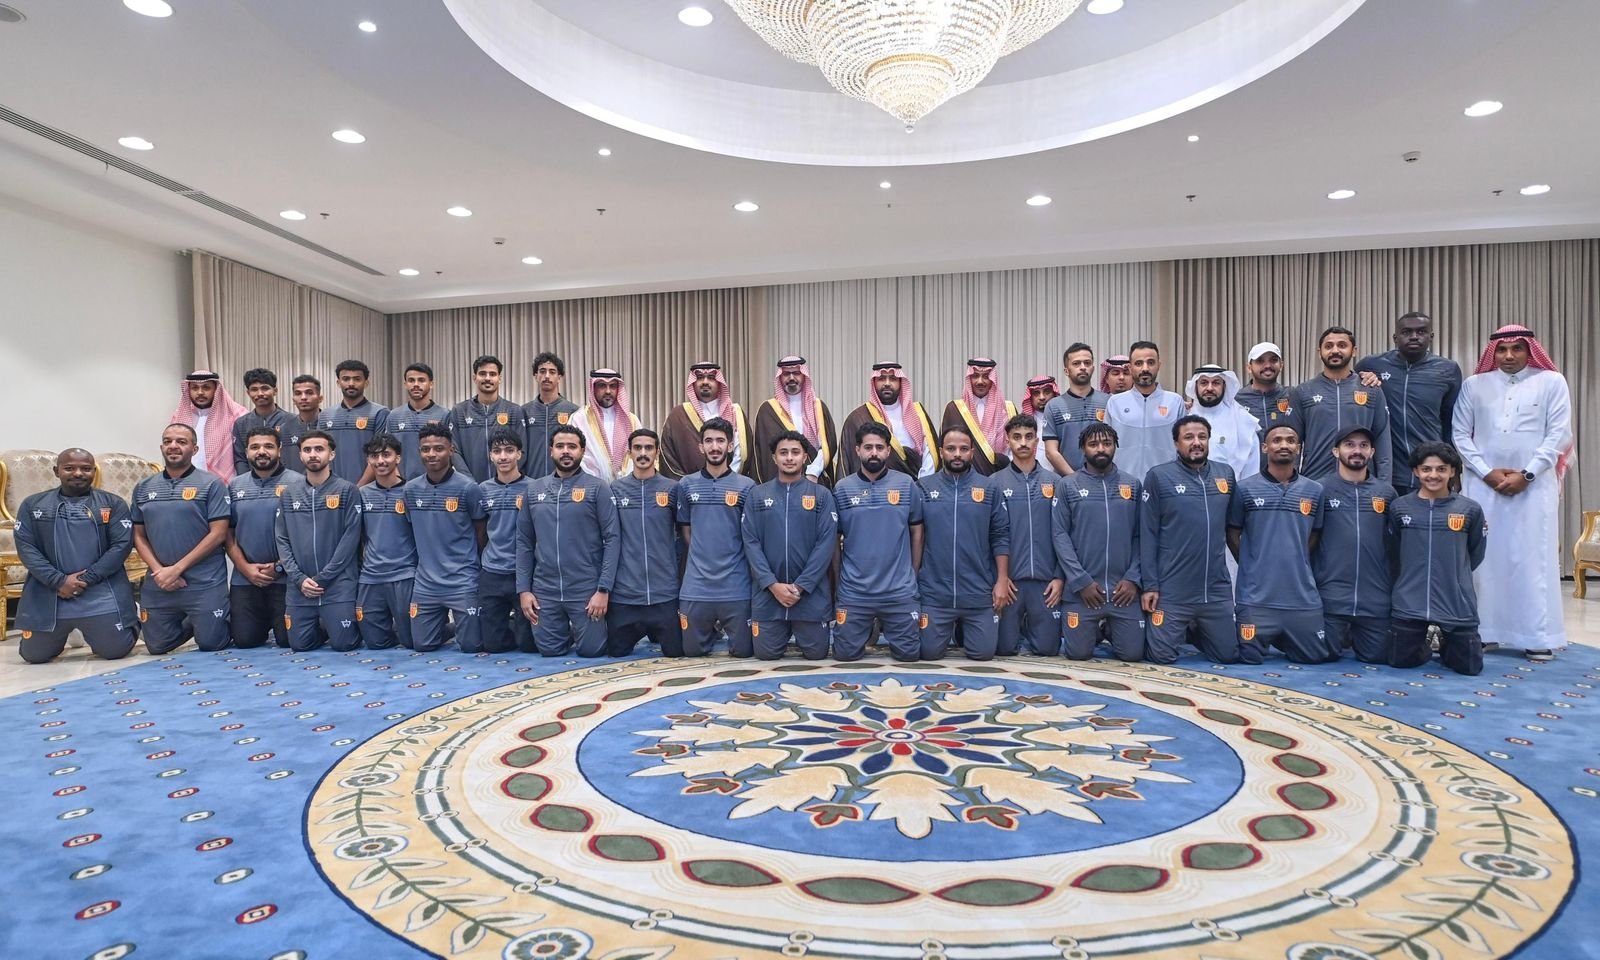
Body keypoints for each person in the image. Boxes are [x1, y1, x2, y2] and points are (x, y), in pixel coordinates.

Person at [1452, 324, 1573, 661]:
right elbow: (1460, 434)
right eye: (1502, 350)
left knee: (1533, 559)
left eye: (1516, 348)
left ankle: (1537, 636)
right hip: (1483, 485)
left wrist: (1527, 473)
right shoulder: (1474, 385)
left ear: (1529, 350)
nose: (1508, 356)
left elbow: (1559, 434)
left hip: (1534, 487)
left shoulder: (1551, 382)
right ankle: (1484, 632)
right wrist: (1487, 472)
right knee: (1484, 560)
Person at [12, 449, 138, 664]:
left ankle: (124, 615)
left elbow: (121, 546)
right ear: (56, 471)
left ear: (94, 472)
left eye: (86, 469)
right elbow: (27, 547)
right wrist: (59, 581)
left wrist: (84, 580)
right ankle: (72, 628)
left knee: (115, 650)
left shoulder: (113, 503)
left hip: (99, 593)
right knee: (34, 656)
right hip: (52, 593)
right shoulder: (33, 504)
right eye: (69, 468)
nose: (78, 473)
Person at [1227, 424, 1336, 664]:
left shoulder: (1315, 490)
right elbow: (1233, 533)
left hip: (1301, 597)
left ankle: (1285, 636)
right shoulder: (1244, 489)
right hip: (1256, 598)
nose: (1284, 445)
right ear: (1265, 447)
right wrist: (1249, 562)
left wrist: (1298, 559)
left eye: (1290, 440)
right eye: (1277, 440)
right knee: (1249, 658)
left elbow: (1315, 534)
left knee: (1314, 657)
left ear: (1299, 448)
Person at [1139, 415, 1242, 664]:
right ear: (1176, 443)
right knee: (1161, 656)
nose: (1196, 442)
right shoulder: (1158, 476)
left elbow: (1233, 528)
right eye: (1188, 437)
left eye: (1202, 437)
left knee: (1228, 655)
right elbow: (1148, 534)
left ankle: (1194, 629)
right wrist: (1150, 585)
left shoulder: (1225, 474)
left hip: (1214, 589)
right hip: (1173, 590)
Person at [516, 425, 619, 657]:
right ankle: (566, 631)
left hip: (586, 588)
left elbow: (613, 539)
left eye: (572, 446)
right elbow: (523, 542)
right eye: (560, 446)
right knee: (549, 651)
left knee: (592, 650)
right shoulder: (533, 490)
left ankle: (583, 630)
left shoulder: (597, 488)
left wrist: (603, 590)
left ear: (582, 451)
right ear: (551, 450)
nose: (565, 451)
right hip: (545, 589)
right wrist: (524, 590)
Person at [130, 424, 232, 654]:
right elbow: (138, 534)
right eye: (168, 441)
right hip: (160, 580)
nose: (173, 446)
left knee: (211, 643)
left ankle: (213, 615)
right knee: (157, 646)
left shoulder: (212, 484)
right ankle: (197, 621)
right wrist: (160, 571)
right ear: (161, 448)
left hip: (204, 580)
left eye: (181, 442)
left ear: (194, 449)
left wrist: (177, 569)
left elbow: (218, 533)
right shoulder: (144, 487)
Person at [1387, 443, 1488, 675]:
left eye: (1441, 469)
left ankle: (1444, 643)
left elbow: (1476, 552)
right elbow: (1393, 550)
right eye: (1426, 469)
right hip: (1409, 603)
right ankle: (1424, 643)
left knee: (1469, 667)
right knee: (1400, 660)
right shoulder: (1400, 507)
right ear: (1416, 471)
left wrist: (1456, 576)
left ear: (1452, 471)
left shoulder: (1469, 509)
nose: (1433, 475)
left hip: (1456, 602)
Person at [918, 424, 1012, 660]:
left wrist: (1002, 580)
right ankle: (951, 627)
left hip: (977, 593)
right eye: (951, 449)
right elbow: (915, 536)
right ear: (941, 452)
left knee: (983, 654)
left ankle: (965, 628)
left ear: (972, 452)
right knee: (928, 653)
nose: (957, 454)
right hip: (935, 593)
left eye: (963, 449)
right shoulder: (924, 488)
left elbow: (1000, 535)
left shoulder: (989, 488)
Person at [833, 422, 925, 662]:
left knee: (909, 656)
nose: (874, 453)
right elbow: (834, 538)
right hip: (855, 590)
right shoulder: (842, 489)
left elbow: (917, 530)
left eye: (879, 447)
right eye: (868, 447)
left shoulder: (906, 484)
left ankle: (880, 623)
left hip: (899, 590)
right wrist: (839, 578)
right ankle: (867, 624)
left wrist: (912, 572)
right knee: (845, 655)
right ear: (857, 450)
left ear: (888, 451)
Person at [741, 431, 838, 659]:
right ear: (774, 458)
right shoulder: (757, 495)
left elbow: (826, 544)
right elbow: (751, 543)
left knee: (816, 655)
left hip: (810, 597)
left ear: (805, 457)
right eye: (783, 453)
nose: (789, 458)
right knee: (766, 655)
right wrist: (772, 585)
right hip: (768, 598)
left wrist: (801, 586)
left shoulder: (822, 495)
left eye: (795, 452)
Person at [1054, 423, 1145, 661]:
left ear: (1115, 446)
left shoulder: (1132, 485)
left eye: (1107, 443)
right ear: (1083, 448)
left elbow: (1142, 536)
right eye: (1093, 444)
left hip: (1123, 592)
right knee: (1078, 654)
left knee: (1133, 654)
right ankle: (1093, 630)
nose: (1101, 449)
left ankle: (1111, 629)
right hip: (1082, 592)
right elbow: (1060, 535)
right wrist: (1080, 581)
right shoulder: (1068, 485)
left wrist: (1133, 579)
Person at [1313, 426, 1396, 664]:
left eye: (1363, 445)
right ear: (1335, 451)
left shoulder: (1387, 494)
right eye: (1349, 445)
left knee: (1379, 657)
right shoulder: (1318, 490)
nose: (1357, 450)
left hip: (1374, 601)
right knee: (1319, 654)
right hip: (1330, 600)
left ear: (1372, 452)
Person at [1357, 312, 1463, 496]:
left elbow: (1451, 423)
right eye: (1406, 332)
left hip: (1430, 470)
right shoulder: (1372, 365)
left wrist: (1455, 467)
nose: (1414, 337)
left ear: (1431, 336)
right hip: (1386, 471)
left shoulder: (1447, 369)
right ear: (1395, 337)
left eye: (1421, 331)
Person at [675, 418, 757, 656]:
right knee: (692, 651)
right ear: (701, 446)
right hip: (697, 586)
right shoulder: (686, 485)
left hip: (736, 586)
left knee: (744, 652)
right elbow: (687, 532)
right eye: (709, 441)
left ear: (730, 446)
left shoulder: (747, 486)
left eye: (720, 441)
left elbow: (750, 537)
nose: (714, 447)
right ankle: (710, 630)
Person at [274, 431, 361, 652]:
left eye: (319, 449)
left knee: (344, 644)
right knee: (299, 645)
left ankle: (334, 623)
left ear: (331, 454)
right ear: (300, 455)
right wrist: (299, 578)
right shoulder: (288, 494)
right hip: (300, 587)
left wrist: (324, 577)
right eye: (307, 450)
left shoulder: (347, 490)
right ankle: (324, 627)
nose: (313, 454)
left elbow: (351, 538)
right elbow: (282, 539)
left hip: (337, 584)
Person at [403, 423, 488, 652]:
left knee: (471, 645)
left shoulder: (468, 488)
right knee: (422, 645)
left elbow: (480, 531)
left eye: (438, 448)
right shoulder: (410, 490)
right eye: (426, 449)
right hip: (426, 583)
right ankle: (450, 628)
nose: (431, 454)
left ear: (451, 451)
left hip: (462, 580)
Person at [607, 429, 685, 657]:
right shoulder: (615, 489)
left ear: (657, 452)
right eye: (638, 448)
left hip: (664, 594)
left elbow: (684, 535)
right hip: (626, 595)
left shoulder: (672, 488)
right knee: (615, 652)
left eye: (648, 448)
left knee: (676, 652)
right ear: (629, 452)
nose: (643, 453)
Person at [994, 415, 1064, 656]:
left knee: (1047, 649)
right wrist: (999, 577)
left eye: (1028, 437)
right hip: (1010, 582)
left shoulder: (1055, 482)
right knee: (1002, 649)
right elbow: (990, 535)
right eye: (1016, 437)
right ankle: (1017, 627)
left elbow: (1065, 534)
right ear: (1007, 441)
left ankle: (1031, 625)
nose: (1023, 443)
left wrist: (1060, 577)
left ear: (1037, 440)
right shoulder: (994, 483)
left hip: (1046, 583)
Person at [1287, 327, 1392, 483]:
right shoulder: (1303, 391)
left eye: (1342, 345)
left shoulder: (1371, 390)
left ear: (1354, 351)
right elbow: (1292, 442)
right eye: (1328, 346)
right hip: (1315, 481)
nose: (1335, 350)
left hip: (1361, 484)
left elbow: (1382, 442)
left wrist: (1384, 485)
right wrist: (1291, 484)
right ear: (1319, 352)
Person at [226, 426, 299, 649]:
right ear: (246, 452)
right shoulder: (234, 486)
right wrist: (244, 568)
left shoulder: (298, 483)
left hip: (285, 578)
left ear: (279, 450)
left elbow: (304, 536)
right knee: (245, 641)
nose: (261, 452)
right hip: (245, 577)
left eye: (268, 446)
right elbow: (227, 534)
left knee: (288, 640)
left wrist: (279, 567)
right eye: (255, 447)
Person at [356, 434, 416, 650]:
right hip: (371, 576)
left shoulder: (412, 491)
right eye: (374, 456)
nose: (380, 461)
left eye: (386, 455)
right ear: (368, 460)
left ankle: (447, 626)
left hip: (405, 574)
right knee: (375, 642)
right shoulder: (361, 495)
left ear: (398, 458)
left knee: (412, 641)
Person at [479, 429, 533, 654]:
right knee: (493, 645)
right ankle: (511, 625)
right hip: (492, 572)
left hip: (524, 573)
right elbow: (480, 532)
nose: (503, 456)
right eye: (497, 451)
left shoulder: (534, 488)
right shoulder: (482, 490)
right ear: (490, 455)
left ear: (519, 454)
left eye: (509, 450)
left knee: (529, 645)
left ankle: (522, 627)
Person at [838, 362, 940, 478]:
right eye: (881, 379)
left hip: (916, 482)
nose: (887, 383)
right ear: (874, 382)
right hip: (873, 485)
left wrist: (923, 480)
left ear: (900, 382)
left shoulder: (917, 412)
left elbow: (929, 452)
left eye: (893, 378)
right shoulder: (858, 417)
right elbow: (848, 459)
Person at [750, 355, 839, 485]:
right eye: (786, 374)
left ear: (804, 375)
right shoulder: (767, 410)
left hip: (814, 480)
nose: (791, 378)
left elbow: (828, 445)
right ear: (780, 377)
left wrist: (813, 471)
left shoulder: (818, 407)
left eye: (796, 373)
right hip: (778, 483)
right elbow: (762, 452)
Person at [1107, 341, 1186, 481]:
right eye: (1138, 363)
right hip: (1122, 483)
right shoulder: (1115, 403)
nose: (1145, 368)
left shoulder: (1175, 402)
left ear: (1159, 365)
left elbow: (1183, 446)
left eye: (1151, 362)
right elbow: (1106, 446)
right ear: (1130, 368)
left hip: (1165, 483)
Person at [662, 362, 756, 479]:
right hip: (689, 487)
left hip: (731, 484)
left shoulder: (734, 412)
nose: (705, 382)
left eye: (711, 377)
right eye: (700, 377)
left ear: (719, 382)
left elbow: (741, 452)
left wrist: (727, 478)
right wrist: (690, 483)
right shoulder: (678, 415)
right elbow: (668, 456)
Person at [446, 355, 524, 481]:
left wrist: (501, 480)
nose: (487, 378)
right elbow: (454, 451)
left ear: (499, 378)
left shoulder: (514, 410)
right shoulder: (459, 411)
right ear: (474, 378)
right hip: (469, 486)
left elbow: (521, 450)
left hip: (505, 485)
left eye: (492, 374)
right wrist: (468, 481)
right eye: (482, 374)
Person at [1183, 364, 1262, 481]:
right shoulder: (1183, 418)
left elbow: (1251, 472)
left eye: (1216, 383)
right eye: (1204, 382)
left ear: (1224, 386)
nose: (1210, 388)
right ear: (1195, 386)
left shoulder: (1243, 421)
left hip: (1231, 489)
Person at [941, 358, 1018, 476]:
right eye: (975, 376)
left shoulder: (1007, 409)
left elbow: (1015, 448)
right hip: (963, 477)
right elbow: (946, 448)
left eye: (986, 376)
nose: (980, 381)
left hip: (1001, 476)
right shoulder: (954, 409)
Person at [1042, 344, 1109, 475]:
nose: (1083, 367)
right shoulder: (1053, 406)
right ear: (1066, 371)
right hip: (1067, 482)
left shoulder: (1108, 402)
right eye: (1076, 363)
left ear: (1093, 368)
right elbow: (1051, 452)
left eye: (1087, 363)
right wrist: (1074, 480)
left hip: (1104, 480)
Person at [170, 370, 247, 482]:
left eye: (206, 388)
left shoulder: (237, 415)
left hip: (225, 484)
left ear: (216, 389)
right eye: (195, 388)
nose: (200, 392)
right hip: (187, 481)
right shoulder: (179, 416)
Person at [321, 360, 388, 485]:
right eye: (346, 379)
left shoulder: (380, 413)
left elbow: (379, 454)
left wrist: (359, 487)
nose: (351, 383)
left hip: (367, 488)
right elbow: (322, 453)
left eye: (357, 379)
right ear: (338, 383)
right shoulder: (325, 415)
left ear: (366, 383)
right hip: (332, 488)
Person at [575, 368, 642, 483]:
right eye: (602, 386)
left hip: (627, 487)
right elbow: (578, 456)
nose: (608, 391)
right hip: (590, 485)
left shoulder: (632, 420)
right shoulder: (580, 419)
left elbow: (639, 451)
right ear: (593, 388)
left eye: (612, 386)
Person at [1234, 342, 1293, 473]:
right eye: (1260, 361)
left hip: (1287, 475)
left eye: (1273, 360)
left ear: (1281, 365)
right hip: (1249, 475)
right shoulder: (1235, 400)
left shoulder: (1293, 395)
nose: (1267, 366)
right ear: (1249, 367)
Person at [522, 351, 579, 479]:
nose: (547, 376)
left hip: (565, 481)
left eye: (552, 372)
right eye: (542, 371)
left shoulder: (573, 411)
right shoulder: (524, 411)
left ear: (559, 377)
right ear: (536, 376)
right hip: (532, 481)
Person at [390, 363, 452, 480]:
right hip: (402, 485)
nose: (416, 384)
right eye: (411, 380)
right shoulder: (393, 416)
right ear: (405, 384)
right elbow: (389, 451)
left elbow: (450, 453)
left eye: (421, 380)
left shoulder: (445, 415)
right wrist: (398, 481)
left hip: (435, 483)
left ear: (431, 384)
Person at [231, 368, 292, 479]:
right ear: (248, 393)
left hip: (287, 481)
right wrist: (247, 482)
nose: (260, 393)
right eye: (254, 389)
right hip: (252, 483)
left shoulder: (291, 421)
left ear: (275, 391)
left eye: (265, 388)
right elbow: (240, 458)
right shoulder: (241, 424)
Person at [281, 374, 324, 474]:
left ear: (320, 398)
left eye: (309, 393)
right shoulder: (285, 429)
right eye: (298, 393)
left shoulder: (329, 425)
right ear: (293, 400)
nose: (303, 397)